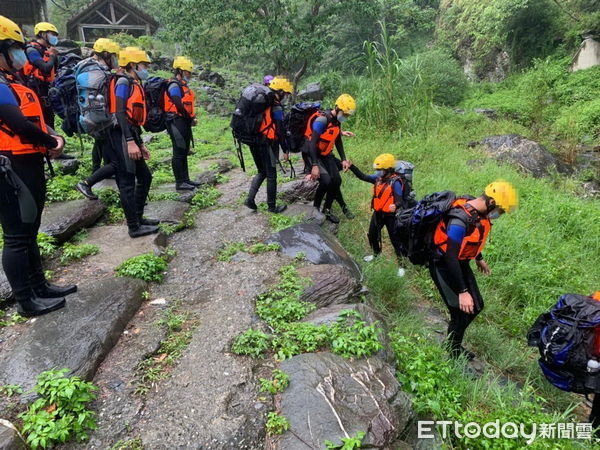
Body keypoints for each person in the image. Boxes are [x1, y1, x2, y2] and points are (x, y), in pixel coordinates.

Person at [0, 16, 76, 317]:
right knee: (17, 236)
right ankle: (25, 300)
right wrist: (50, 141)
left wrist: (49, 137)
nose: (21, 54)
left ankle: (39, 286)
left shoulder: (11, 81)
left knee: (29, 230)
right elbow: (17, 123)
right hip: (11, 166)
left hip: (26, 162)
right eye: (16, 49)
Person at [429, 180, 518, 359]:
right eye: (500, 210)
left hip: (460, 263)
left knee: (476, 306)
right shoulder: (459, 220)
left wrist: (479, 258)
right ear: (492, 203)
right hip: (444, 265)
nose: (499, 214)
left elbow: (470, 240)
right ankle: (452, 351)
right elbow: (450, 256)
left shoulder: (478, 213)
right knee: (461, 311)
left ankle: (453, 344)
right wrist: (462, 292)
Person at [75, 38, 121, 201]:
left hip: (89, 118)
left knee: (102, 147)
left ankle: (97, 172)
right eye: (114, 55)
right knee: (117, 162)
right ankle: (87, 183)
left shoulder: (85, 67)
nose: (115, 59)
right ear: (106, 54)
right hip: (103, 121)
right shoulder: (101, 73)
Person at [349, 153, 407, 276]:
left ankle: (402, 266)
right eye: (378, 170)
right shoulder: (378, 178)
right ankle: (376, 254)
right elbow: (363, 177)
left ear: (388, 169)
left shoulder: (395, 182)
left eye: (380, 170)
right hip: (378, 213)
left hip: (391, 217)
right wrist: (351, 166)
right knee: (372, 235)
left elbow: (400, 201)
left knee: (395, 240)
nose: (378, 172)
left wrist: (395, 206)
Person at [244, 76, 292, 213]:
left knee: (262, 171)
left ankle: (250, 199)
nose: (286, 97)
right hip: (266, 143)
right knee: (271, 174)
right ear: (281, 92)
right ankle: (272, 207)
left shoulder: (262, 100)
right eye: (286, 94)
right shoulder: (275, 106)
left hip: (253, 140)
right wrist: (285, 149)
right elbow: (280, 130)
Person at [306, 94, 355, 223]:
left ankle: (326, 210)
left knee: (336, 180)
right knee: (326, 180)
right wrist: (314, 165)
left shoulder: (337, 122)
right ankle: (315, 209)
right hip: (314, 155)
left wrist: (344, 159)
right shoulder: (322, 120)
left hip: (326, 154)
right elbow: (312, 143)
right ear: (337, 108)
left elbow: (337, 140)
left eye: (347, 115)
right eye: (345, 113)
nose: (346, 117)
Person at [164, 56, 198, 190]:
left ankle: (186, 180)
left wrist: (190, 118)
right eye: (187, 72)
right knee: (178, 152)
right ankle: (180, 182)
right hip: (175, 121)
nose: (189, 75)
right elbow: (177, 101)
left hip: (183, 121)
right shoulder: (174, 85)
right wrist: (189, 117)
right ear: (180, 71)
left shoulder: (183, 86)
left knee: (184, 150)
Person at [22, 22, 59, 130]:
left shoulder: (47, 51)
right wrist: (52, 55)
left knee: (49, 119)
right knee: (41, 119)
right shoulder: (32, 50)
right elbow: (45, 67)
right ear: (43, 34)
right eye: (52, 34)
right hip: (35, 90)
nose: (55, 37)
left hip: (46, 89)